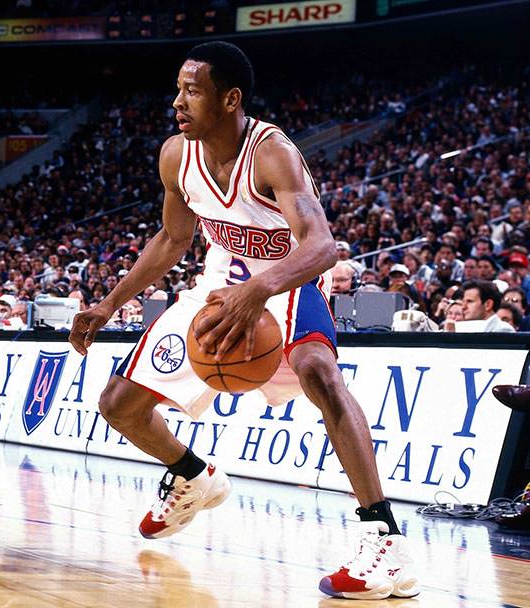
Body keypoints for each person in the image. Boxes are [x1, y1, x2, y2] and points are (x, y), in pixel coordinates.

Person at [68, 42, 417, 600]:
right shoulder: (176, 155)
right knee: (119, 405)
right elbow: (172, 239)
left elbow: (323, 245)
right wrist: (110, 303)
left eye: (192, 91)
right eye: (178, 89)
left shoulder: (271, 151)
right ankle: (193, 476)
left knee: (318, 374)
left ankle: (385, 540)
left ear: (230, 99)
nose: (177, 101)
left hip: (287, 279)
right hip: (220, 284)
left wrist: (259, 290)